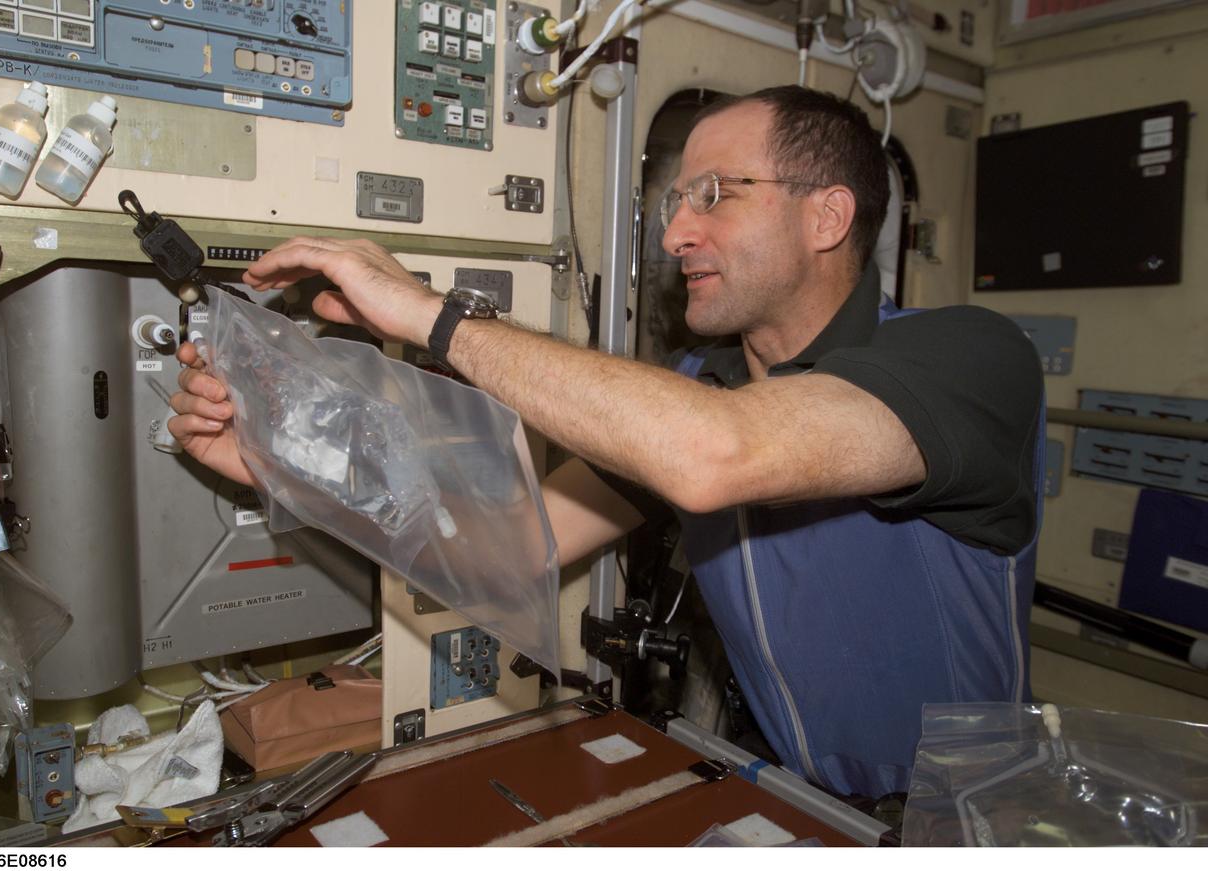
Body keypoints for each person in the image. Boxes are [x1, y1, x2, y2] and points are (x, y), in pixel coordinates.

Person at [169, 86, 1044, 799]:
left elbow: (718, 454)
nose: (675, 235)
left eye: (715, 194)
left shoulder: (969, 359)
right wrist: (288, 463)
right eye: (675, 202)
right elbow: (506, 547)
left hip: (966, 817)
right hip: (798, 799)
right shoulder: (701, 390)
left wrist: (434, 316)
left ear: (827, 217)